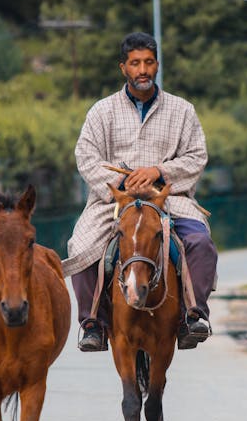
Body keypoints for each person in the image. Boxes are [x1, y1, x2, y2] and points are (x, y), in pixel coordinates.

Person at [62, 31, 218, 351]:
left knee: (200, 242)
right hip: (114, 203)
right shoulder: (101, 112)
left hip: (169, 200)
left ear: (157, 65)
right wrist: (122, 184)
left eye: (148, 62)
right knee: (81, 246)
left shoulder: (182, 110)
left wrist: (158, 171)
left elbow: (196, 156)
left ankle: (193, 315)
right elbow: (86, 157)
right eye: (135, 63)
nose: (142, 70)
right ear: (124, 68)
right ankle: (93, 323)